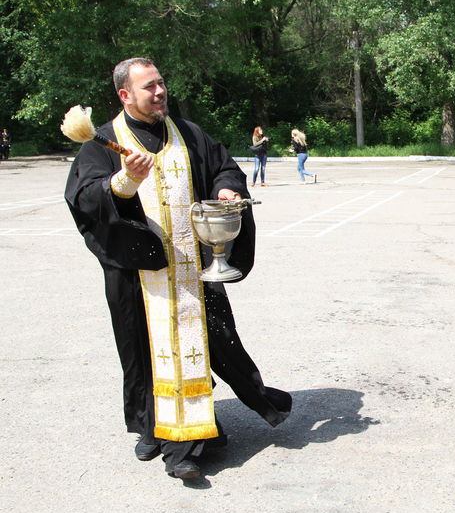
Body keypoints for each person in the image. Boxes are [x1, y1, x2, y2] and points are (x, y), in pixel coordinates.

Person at [64, 57, 292, 480]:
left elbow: (224, 166)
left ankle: (193, 432)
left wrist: (225, 188)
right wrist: (123, 183)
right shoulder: (101, 142)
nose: (160, 92)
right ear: (125, 95)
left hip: (191, 268)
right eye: (149, 87)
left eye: (161, 83)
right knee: (145, 354)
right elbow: (84, 197)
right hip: (137, 276)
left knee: (208, 344)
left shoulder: (187, 134)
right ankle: (167, 438)